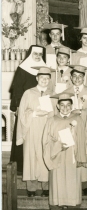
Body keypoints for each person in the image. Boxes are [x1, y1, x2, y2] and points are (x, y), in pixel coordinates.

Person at [42, 92, 85, 210]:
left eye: (68, 105)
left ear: (72, 106)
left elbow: (82, 139)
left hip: (72, 155)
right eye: (62, 105)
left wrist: (80, 155)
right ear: (57, 106)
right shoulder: (52, 120)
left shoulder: (78, 119)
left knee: (73, 180)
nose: (65, 108)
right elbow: (46, 141)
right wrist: (59, 145)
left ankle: (73, 207)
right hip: (57, 155)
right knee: (57, 181)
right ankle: (55, 208)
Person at [17, 67, 54, 197]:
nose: (44, 80)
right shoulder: (28, 93)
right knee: (31, 156)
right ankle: (31, 188)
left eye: (47, 78)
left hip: (46, 128)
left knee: (45, 155)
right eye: (42, 77)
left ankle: (46, 187)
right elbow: (22, 112)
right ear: (37, 78)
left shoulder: (52, 94)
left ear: (50, 80)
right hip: (32, 127)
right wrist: (33, 113)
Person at [10, 45, 47, 173]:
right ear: (30, 54)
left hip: (42, 110)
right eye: (35, 54)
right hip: (26, 108)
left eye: (40, 54)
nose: (37, 56)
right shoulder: (22, 69)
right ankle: (22, 166)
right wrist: (18, 107)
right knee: (24, 134)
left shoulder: (44, 70)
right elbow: (17, 89)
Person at [64, 65, 87, 196]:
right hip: (72, 125)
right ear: (71, 78)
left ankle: (85, 183)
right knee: (73, 151)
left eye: (80, 77)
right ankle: (73, 181)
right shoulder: (67, 91)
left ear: (84, 78)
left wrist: (82, 112)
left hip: (85, 124)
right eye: (75, 76)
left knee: (85, 150)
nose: (77, 79)